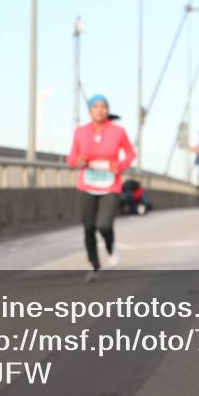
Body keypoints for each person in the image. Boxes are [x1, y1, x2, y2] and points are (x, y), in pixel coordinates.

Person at [67, 94, 136, 281]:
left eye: (103, 106)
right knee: (88, 227)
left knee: (104, 224)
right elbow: (71, 157)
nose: (100, 110)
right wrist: (77, 161)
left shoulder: (118, 131)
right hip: (87, 184)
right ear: (90, 110)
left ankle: (110, 246)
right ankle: (94, 266)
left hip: (110, 184)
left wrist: (119, 166)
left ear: (108, 109)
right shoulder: (80, 132)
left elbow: (130, 153)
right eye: (95, 106)